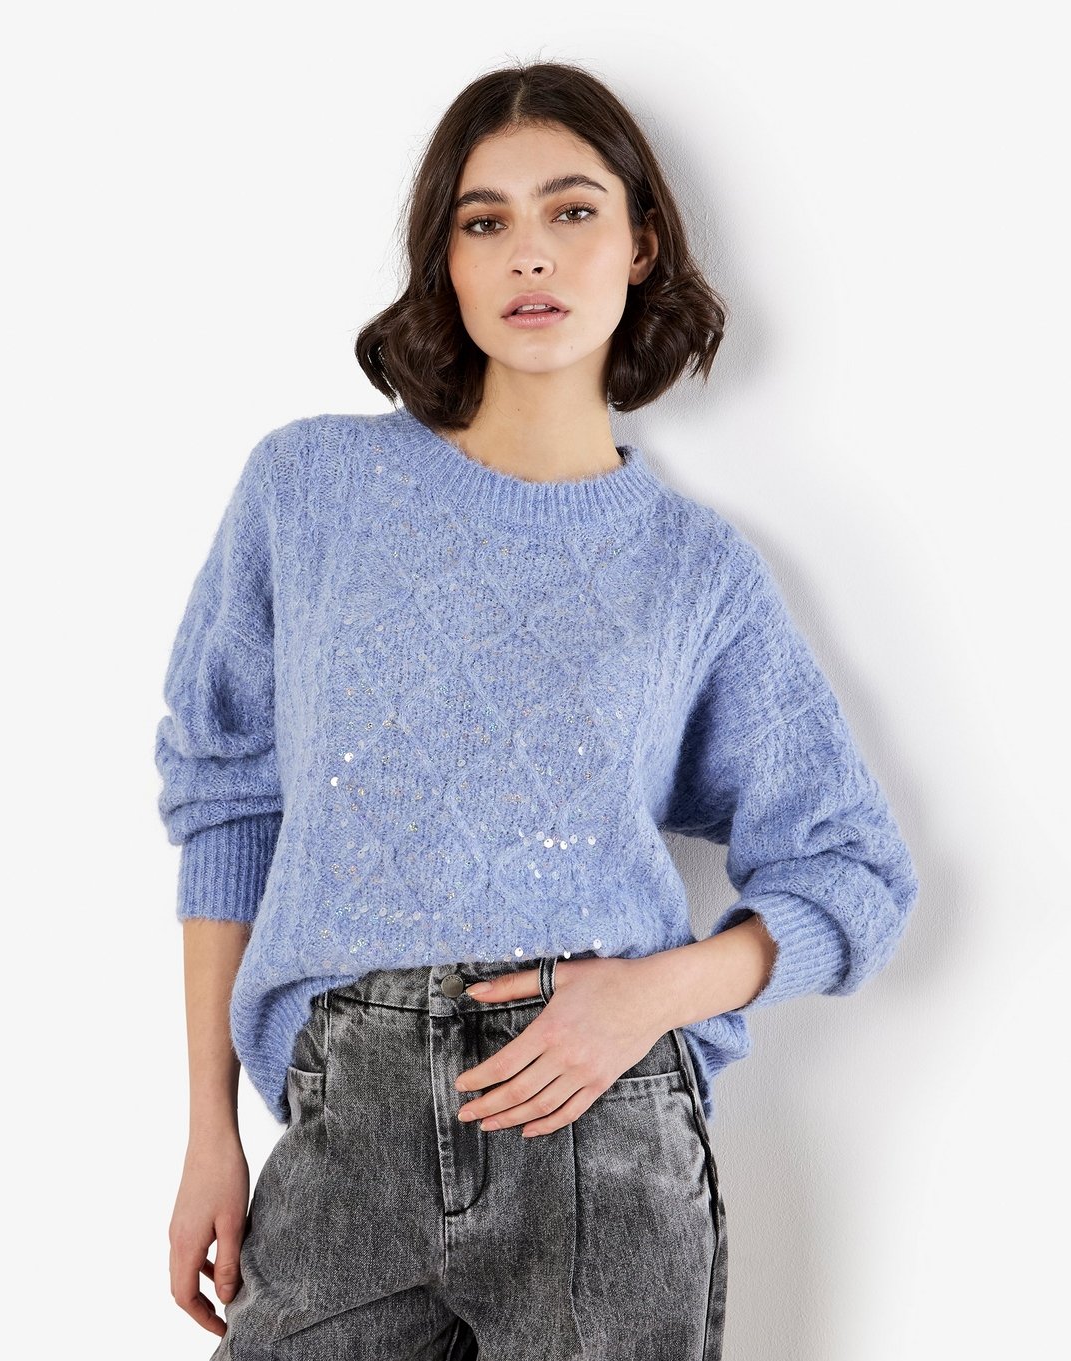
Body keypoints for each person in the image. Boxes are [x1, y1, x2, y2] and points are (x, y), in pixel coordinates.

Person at [157, 59, 919, 1361]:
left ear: (641, 244)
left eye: (572, 210)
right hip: (342, 1142)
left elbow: (853, 872)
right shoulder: (310, 490)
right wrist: (207, 1132)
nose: (531, 253)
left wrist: (652, 996)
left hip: (601, 1140)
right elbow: (228, 798)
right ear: (445, 262)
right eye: (485, 220)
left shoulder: (693, 571)